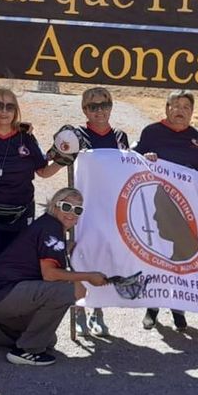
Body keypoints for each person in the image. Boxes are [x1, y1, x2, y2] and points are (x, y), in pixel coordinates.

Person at [0, 188, 108, 366]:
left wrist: (66, 249)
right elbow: (50, 274)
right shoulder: (51, 228)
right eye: (67, 206)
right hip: (2, 293)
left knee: (48, 340)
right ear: (55, 206)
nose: (71, 213)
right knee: (70, 291)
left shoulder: (50, 226)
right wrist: (88, 276)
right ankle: (26, 350)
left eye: (77, 210)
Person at [134, 89, 198, 331]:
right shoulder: (152, 132)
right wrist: (144, 157)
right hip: (158, 204)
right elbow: (130, 159)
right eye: (176, 105)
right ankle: (152, 308)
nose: (180, 110)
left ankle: (178, 308)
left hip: (188, 208)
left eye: (186, 107)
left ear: (192, 112)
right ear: (166, 108)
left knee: (182, 256)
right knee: (156, 254)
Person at [0, 88, 64, 273]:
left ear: (16, 111)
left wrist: (64, 160)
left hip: (21, 216)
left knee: (16, 266)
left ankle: (12, 302)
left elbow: (43, 171)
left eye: (10, 106)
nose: (4, 111)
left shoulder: (26, 138)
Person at [70, 87, 128, 337]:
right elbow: (57, 154)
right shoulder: (77, 135)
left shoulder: (120, 136)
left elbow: (128, 167)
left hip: (110, 207)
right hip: (83, 208)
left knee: (105, 260)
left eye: (105, 105)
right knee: (80, 258)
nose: (100, 111)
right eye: (93, 107)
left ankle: (98, 310)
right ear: (85, 110)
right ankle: (79, 311)